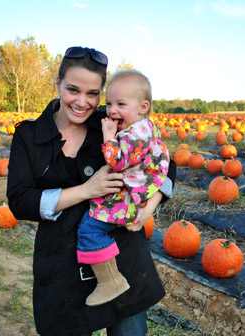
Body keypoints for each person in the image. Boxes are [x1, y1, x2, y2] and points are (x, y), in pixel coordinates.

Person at [6, 47, 176, 336]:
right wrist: (87, 190)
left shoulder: (111, 123)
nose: (83, 102)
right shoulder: (29, 135)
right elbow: (21, 201)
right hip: (61, 262)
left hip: (122, 258)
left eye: (93, 93)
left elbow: (162, 160)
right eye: (73, 90)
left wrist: (151, 204)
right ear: (58, 83)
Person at [78, 69, 170, 306]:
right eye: (109, 103)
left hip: (127, 199)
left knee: (89, 229)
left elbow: (116, 161)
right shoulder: (146, 128)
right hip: (137, 193)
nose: (111, 110)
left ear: (143, 107)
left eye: (120, 103)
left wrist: (109, 137)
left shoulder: (132, 135)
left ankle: (110, 280)